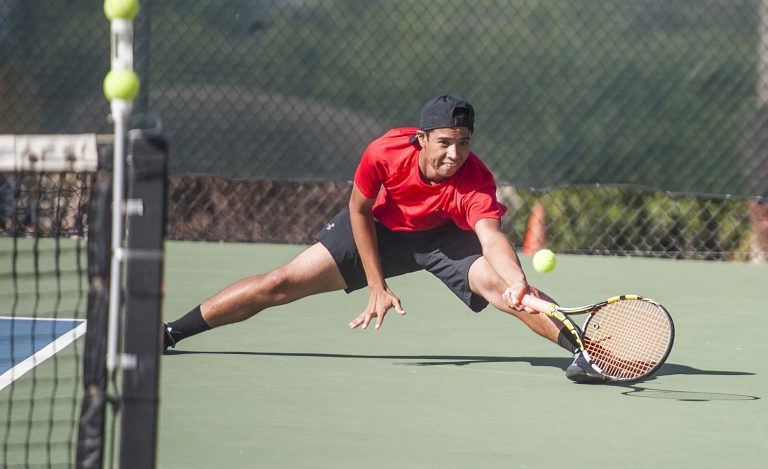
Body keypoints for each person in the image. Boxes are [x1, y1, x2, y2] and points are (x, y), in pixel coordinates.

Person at [163, 95, 605, 383]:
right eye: (446, 142)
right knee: (280, 283)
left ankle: (591, 355)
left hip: (444, 239)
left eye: (465, 143)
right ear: (422, 139)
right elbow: (358, 210)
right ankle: (170, 332)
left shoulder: (476, 179)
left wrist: (515, 279)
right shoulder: (384, 152)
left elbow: (489, 235)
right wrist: (376, 283)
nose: (456, 154)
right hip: (379, 230)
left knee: (504, 291)